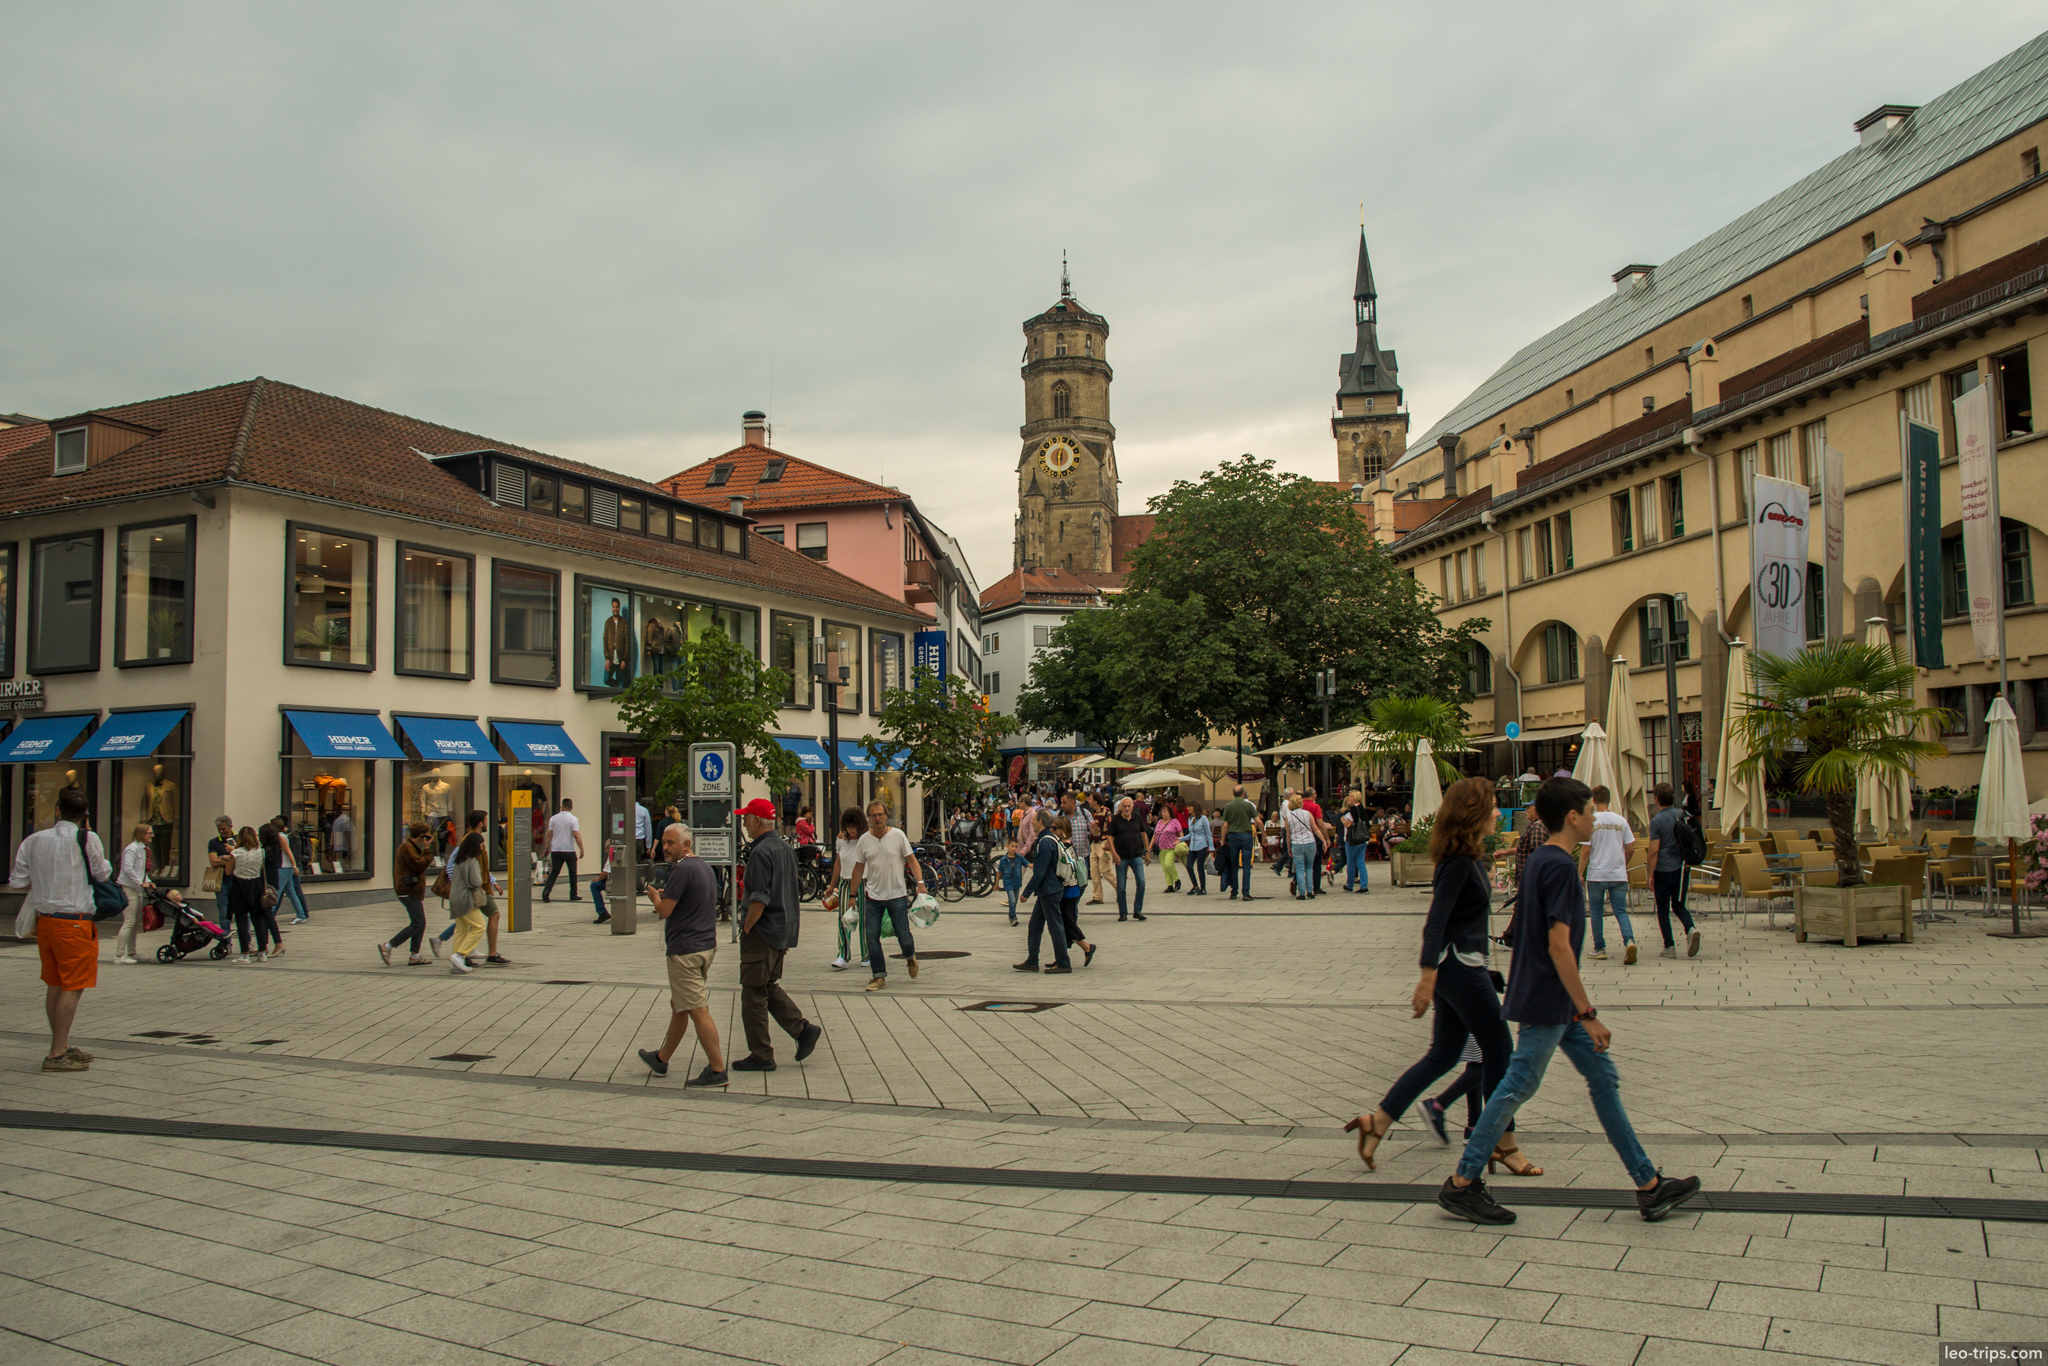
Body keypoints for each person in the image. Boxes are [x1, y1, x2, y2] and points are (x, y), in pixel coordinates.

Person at [1437, 776, 1701, 1227]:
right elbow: (1558, 945)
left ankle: (1649, 1185)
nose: (1597, 817)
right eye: (1590, 811)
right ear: (1573, 816)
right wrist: (1588, 1012)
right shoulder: (1558, 866)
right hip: (1548, 1000)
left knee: (1603, 1081)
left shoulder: (1543, 858)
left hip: (1551, 999)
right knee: (1515, 1088)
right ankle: (1462, 1183)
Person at [1345, 778, 1526, 1172]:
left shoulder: (1471, 859)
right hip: (1459, 968)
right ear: (1474, 812)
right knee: (1500, 1051)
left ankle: (1377, 1122)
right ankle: (1502, 1141)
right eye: (1493, 805)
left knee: (1444, 1054)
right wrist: (1427, 975)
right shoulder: (1459, 862)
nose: (1498, 812)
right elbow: (1436, 922)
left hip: (1460, 967)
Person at [11, 786, 108, 1071]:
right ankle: (56, 1051)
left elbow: (18, 881)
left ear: (57, 810)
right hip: (74, 921)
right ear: (84, 815)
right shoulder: (88, 838)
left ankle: (61, 1044)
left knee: (55, 983)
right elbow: (102, 873)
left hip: (46, 921)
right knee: (74, 984)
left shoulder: (34, 840)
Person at [730, 798, 822, 1070]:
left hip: (762, 931)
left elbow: (759, 898)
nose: (744, 823)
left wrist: (746, 928)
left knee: (753, 993)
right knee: (768, 985)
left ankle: (761, 1054)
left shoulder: (760, 853)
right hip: (782, 929)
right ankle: (802, 1030)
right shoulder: (784, 848)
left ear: (757, 821)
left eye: (747, 818)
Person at [637, 824, 730, 1086]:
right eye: (664, 843)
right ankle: (662, 1058)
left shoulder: (680, 870)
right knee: (680, 1005)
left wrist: (656, 898)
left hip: (685, 951)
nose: (665, 848)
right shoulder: (702, 867)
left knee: (698, 1009)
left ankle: (717, 1069)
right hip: (704, 947)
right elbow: (691, 899)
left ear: (686, 845)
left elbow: (665, 911)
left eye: (671, 843)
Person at [850, 799, 924, 990]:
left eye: (880, 815)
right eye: (873, 815)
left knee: (904, 935)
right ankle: (879, 976)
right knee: (871, 937)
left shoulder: (898, 836)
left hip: (897, 895)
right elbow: (858, 868)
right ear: (869, 818)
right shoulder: (864, 840)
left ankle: (910, 957)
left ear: (886, 816)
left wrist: (920, 883)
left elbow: (912, 860)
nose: (877, 818)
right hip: (872, 897)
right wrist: (852, 895)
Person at [435, 810, 510, 965]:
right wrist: (458, 886)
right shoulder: (469, 841)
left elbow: (480, 867)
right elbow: (455, 867)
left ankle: (461, 956)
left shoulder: (475, 840)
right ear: (480, 823)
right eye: (486, 820)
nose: (488, 823)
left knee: (463, 925)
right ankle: (473, 954)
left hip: (477, 888)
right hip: (474, 890)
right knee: (483, 921)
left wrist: (493, 881)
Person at [1579, 785, 1639, 965]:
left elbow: (1585, 851)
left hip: (1597, 874)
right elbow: (1630, 848)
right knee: (1620, 910)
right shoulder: (1621, 821)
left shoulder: (1592, 821)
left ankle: (1600, 948)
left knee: (1596, 911)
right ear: (1610, 799)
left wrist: (1580, 873)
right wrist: (1623, 863)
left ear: (1594, 801)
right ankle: (1629, 940)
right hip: (1617, 874)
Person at [1644, 783, 1702, 959]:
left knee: (1662, 909)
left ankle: (1669, 946)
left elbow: (1654, 850)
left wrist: (1650, 874)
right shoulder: (1682, 815)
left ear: (1656, 799)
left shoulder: (1656, 821)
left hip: (1663, 869)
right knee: (1678, 904)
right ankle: (1690, 928)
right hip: (1682, 868)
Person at [1013, 812, 1071, 973]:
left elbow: (1040, 871)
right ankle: (1032, 960)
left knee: (1055, 926)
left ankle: (1063, 962)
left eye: (1033, 820)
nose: (1031, 823)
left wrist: (1026, 892)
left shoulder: (1045, 842)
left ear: (1040, 822)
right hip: (1048, 889)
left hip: (1049, 889)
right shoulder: (1047, 839)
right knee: (1035, 925)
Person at [377, 823, 434, 966]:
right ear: (422, 836)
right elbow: (419, 865)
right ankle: (388, 946)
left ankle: (415, 955)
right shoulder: (408, 848)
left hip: (410, 890)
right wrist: (427, 849)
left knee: (420, 923)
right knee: (417, 923)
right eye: (426, 835)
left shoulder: (410, 847)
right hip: (407, 890)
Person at [444, 831, 492, 974]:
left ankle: (456, 963)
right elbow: (476, 881)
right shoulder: (472, 861)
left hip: (455, 897)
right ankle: (459, 955)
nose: (483, 847)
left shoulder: (460, 859)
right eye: (481, 844)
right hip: (467, 899)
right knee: (479, 926)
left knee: (461, 929)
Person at [114, 822, 154, 964]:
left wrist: (147, 881)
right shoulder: (132, 849)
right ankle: (119, 955)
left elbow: (141, 870)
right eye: (150, 833)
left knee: (135, 921)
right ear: (141, 834)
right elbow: (127, 869)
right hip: (128, 887)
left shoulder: (143, 849)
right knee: (129, 921)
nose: (152, 835)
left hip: (136, 888)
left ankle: (131, 952)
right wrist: (140, 882)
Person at [830, 807, 864, 969]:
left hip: (864, 882)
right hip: (845, 882)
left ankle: (867, 954)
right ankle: (843, 954)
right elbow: (838, 862)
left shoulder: (865, 839)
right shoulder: (841, 839)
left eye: (854, 826)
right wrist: (832, 885)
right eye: (848, 827)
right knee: (844, 918)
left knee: (865, 919)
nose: (851, 830)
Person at [1107, 796, 1149, 922]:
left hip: (1136, 855)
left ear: (1132, 807)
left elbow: (1143, 834)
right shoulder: (1116, 819)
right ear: (1120, 808)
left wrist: (1147, 851)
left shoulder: (1137, 818)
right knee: (1121, 886)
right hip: (1121, 856)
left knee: (1141, 882)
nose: (1126, 808)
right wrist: (1114, 854)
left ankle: (1137, 910)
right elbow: (1109, 837)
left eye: (1128, 806)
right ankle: (1123, 912)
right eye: (1124, 806)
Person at [268, 813, 311, 924]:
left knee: (277, 891)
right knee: (291, 892)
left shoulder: (281, 838)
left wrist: (294, 866)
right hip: (286, 867)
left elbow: (289, 852)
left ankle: (269, 915)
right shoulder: (281, 836)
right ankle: (301, 915)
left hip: (284, 867)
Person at [1220, 785, 1259, 901]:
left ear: (1233, 794)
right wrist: (1264, 834)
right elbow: (1258, 821)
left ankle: (1234, 891)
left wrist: (1222, 840)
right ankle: (1246, 892)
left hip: (1232, 837)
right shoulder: (1249, 805)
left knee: (1234, 864)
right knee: (1246, 865)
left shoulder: (1228, 806)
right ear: (1243, 794)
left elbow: (1225, 825)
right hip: (1246, 836)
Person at [541, 797, 584, 902]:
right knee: (572, 872)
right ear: (571, 807)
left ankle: (546, 891)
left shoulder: (553, 818)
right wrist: (581, 849)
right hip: (568, 850)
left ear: (562, 806)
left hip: (556, 850)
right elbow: (576, 835)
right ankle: (573, 894)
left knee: (554, 872)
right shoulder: (573, 819)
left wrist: (546, 848)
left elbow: (549, 834)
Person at [1283, 790, 1319, 900]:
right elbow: (1315, 828)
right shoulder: (1307, 814)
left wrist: (1289, 848)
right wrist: (1324, 839)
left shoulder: (1289, 818)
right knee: (1309, 868)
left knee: (1299, 868)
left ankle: (1302, 893)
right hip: (1310, 842)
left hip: (1297, 844)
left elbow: (1288, 835)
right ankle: (1310, 891)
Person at [206, 815, 235, 930]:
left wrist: (222, 858)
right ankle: (225, 939)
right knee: (223, 912)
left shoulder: (238, 840)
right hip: (221, 880)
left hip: (237, 880)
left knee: (242, 913)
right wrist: (232, 859)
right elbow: (213, 862)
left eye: (224, 829)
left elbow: (241, 859)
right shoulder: (214, 842)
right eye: (219, 829)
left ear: (230, 827)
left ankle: (246, 940)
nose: (221, 831)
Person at [1340, 790, 1372, 894]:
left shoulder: (1353, 810)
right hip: (1363, 839)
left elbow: (1348, 824)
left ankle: (1350, 884)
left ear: (1356, 798)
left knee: (1351, 862)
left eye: (1351, 796)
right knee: (1361, 862)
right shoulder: (1362, 809)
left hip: (1353, 839)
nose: (1349, 798)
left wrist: (1343, 820)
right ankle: (1364, 885)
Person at [1152, 805, 1184, 893]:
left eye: (1165, 811)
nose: (1163, 813)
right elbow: (1155, 834)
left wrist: (1181, 841)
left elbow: (1180, 833)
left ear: (1170, 813)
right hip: (1161, 848)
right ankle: (1169, 885)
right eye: (1162, 812)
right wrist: (1150, 846)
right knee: (1164, 868)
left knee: (1168, 864)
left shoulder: (1174, 821)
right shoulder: (1159, 822)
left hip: (1171, 847)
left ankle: (1177, 880)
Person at [1184, 805, 1211, 896]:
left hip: (1201, 845)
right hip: (1192, 846)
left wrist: (1211, 848)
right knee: (1189, 866)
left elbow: (1208, 833)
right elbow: (1191, 834)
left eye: (1190, 807)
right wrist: (1181, 839)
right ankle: (1195, 886)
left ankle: (1203, 888)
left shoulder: (1203, 819)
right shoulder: (1191, 819)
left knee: (1200, 867)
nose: (1188, 808)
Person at [998, 838, 1025, 926]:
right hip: (1008, 883)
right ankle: (1012, 917)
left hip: (1017, 883)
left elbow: (1028, 864)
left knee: (1015, 900)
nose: (1014, 848)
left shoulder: (1019, 858)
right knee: (1012, 900)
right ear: (1007, 846)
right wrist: (996, 883)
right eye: (1012, 846)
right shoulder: (1003, 860)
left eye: (1016, 847)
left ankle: (1012, 914)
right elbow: (999, 871)